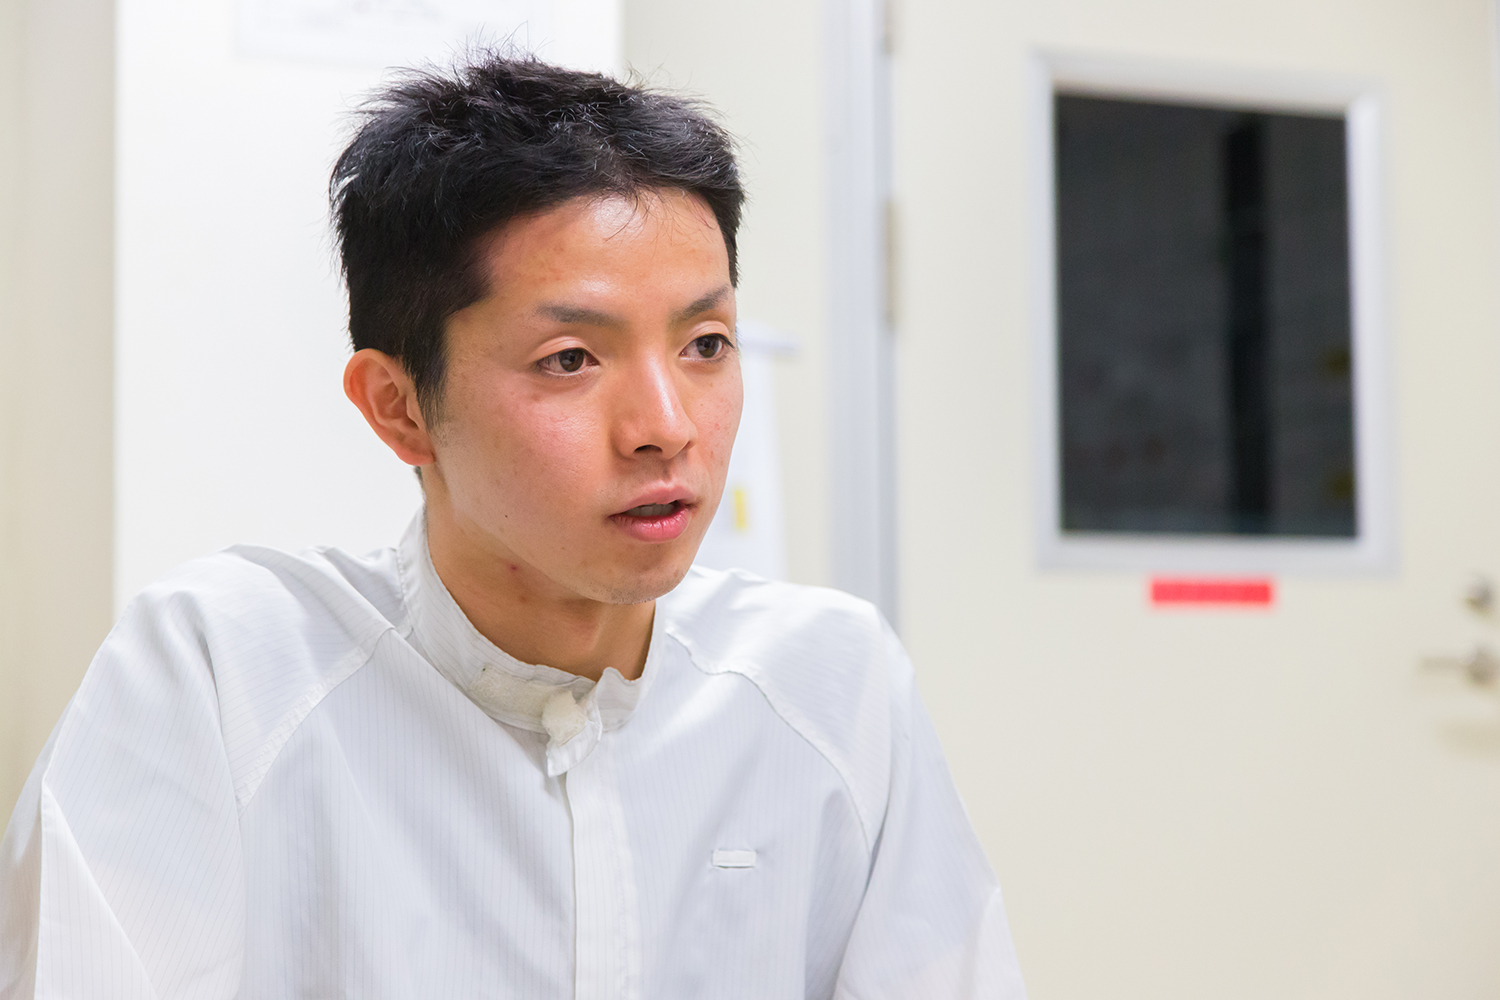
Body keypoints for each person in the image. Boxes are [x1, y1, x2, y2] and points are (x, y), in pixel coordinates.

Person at [0, 55, 1025, 999]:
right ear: (399, 407)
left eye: (706, 344)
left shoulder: (831, 687)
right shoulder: (222, 680)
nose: (667, 426)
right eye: (570, 360)